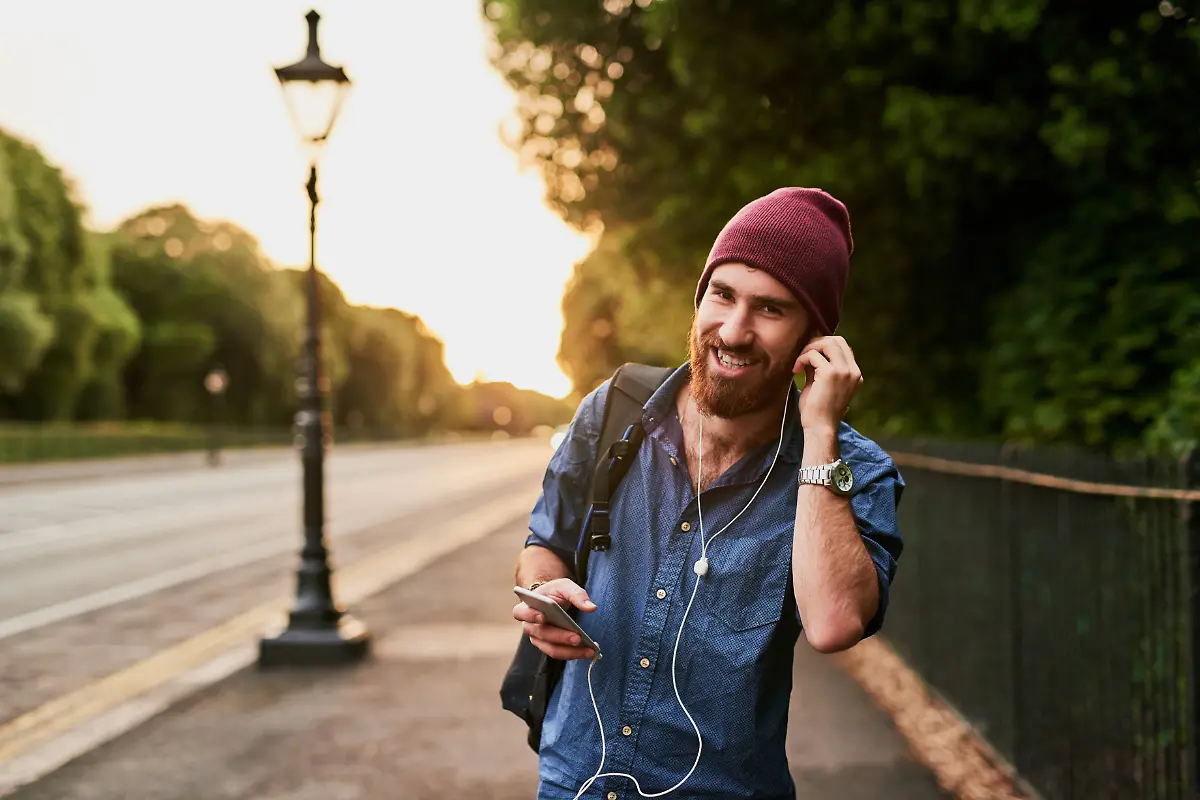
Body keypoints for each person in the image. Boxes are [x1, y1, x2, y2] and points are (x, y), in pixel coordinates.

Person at [512, 187, 904, 800]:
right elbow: (544, 544)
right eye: (722, 296)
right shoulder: (613, 413)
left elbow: (833, 624)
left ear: (815, 339)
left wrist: (820, 432)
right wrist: (543, 594)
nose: (735, 330)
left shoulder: (852, 469)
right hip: (573, 782)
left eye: (771, 309)